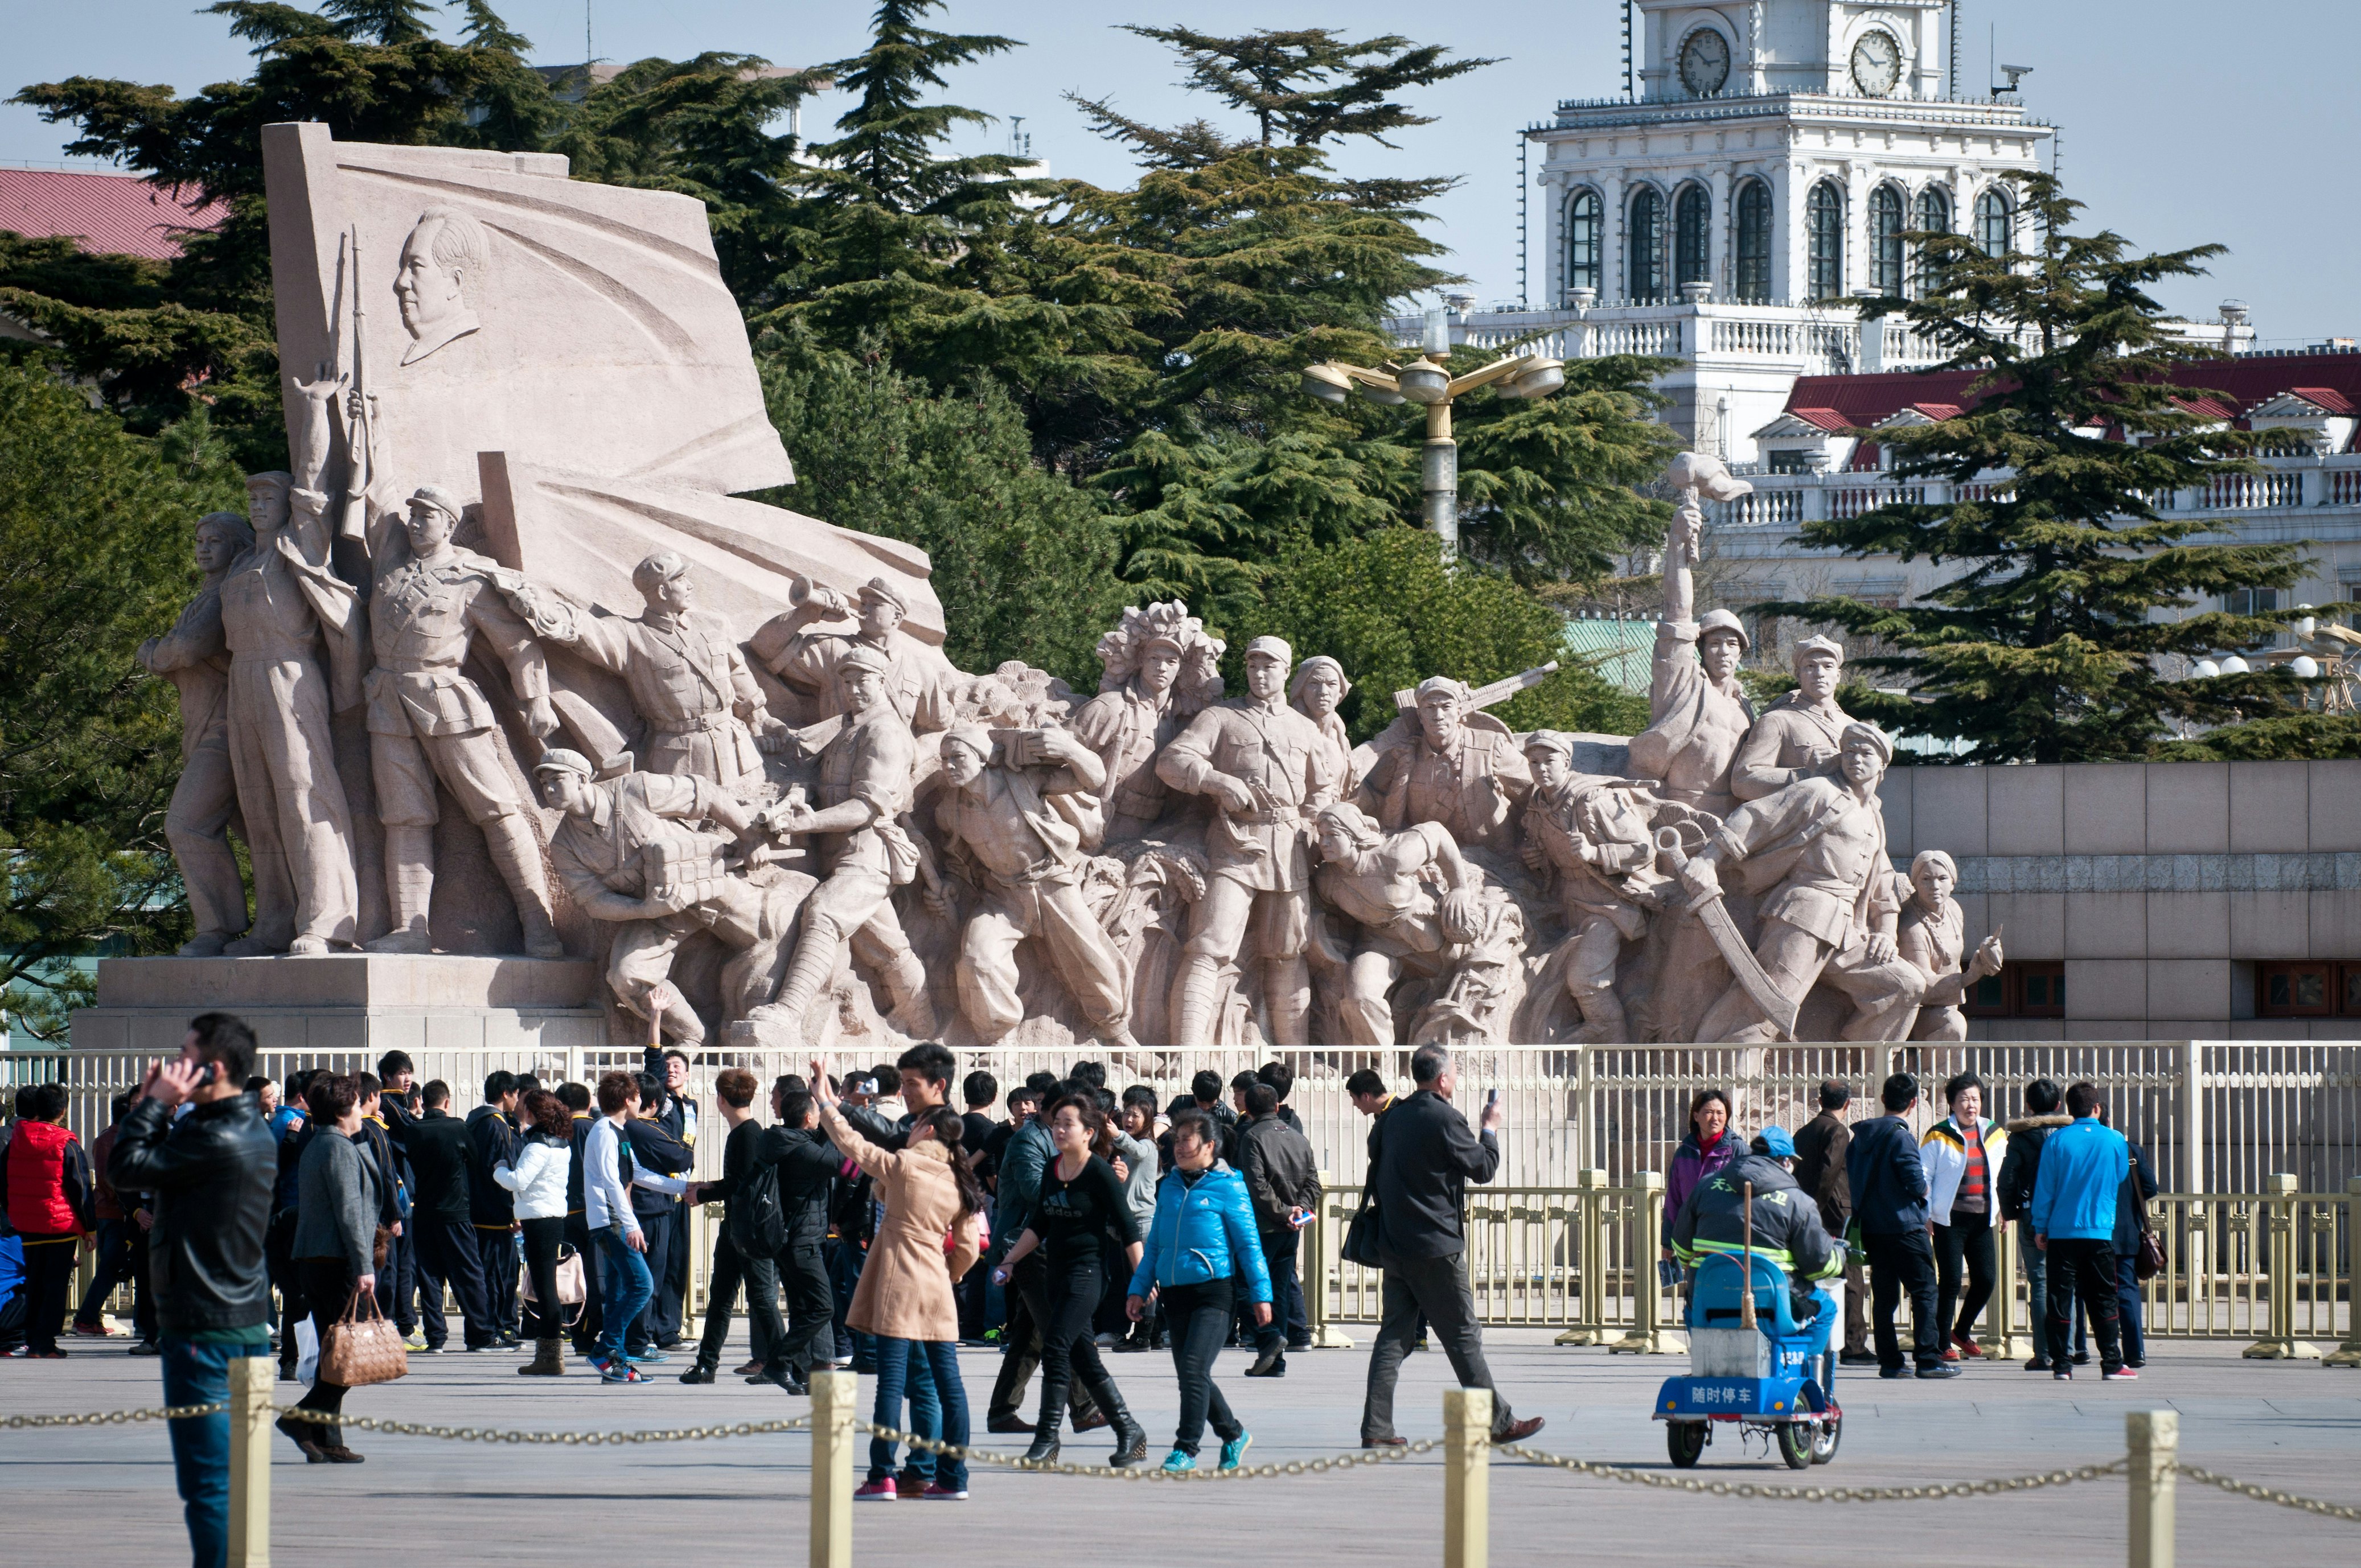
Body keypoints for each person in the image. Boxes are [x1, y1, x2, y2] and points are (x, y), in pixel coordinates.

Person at [108, 1013, 277, 1568]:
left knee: (209, 1481)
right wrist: (160, 1107)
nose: (175, 1066)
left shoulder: (215, 1136)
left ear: (216, 1066)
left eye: (186, 1055)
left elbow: (126, 1168)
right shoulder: (244, 1126)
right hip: (241, 1316)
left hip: (205, 1326)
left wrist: (153, 1103)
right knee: (241, 1479)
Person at [812, 1060, 986, 1501]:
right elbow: (966, 1248)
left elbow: (853, 1146)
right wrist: (949, 1274)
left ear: (926, 1131)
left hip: (896, 1282)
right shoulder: (959, 1179)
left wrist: (827, 1103)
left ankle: (882, 1474)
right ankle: (952, 1477)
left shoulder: (905, 1165)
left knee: (891, 1383)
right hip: (937, 1289)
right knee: (949, 1385)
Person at [1358, 1044, 1545, 1447]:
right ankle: (1498, 1422)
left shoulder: (1392, 1118)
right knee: (1462, 1334)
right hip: (1436, 1245)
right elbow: (1483, 1168)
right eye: (1455, 1072)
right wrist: (1490, 1127)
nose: (1456, 1078)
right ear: (1442, 1077)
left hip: (1394, 1243)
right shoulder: (1445, 1117)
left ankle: (1376, 1428)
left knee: (1393, 1336)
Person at [992, 1093, 1148, 1466]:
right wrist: (1010, 1260)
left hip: (1088, 1274)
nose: (1060, 1129)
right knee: (1084, 1358)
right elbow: (1040, 1223)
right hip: (1055, 1274)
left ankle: (1046, 1440)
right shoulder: (1052, 1168)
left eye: (1068, 1124)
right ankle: (1129, 1430)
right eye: (1057, 1122)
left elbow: (1127, 1227)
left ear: (1089, 1133)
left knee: (1056, 1346)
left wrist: (1142, 1281)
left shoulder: (1098, 1172)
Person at [1126, 1108, 1272, 1472]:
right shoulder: (1171, 1185)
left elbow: (1249, 1246)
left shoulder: (1229, 1186)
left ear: (1209, 1145)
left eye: (1186, 1139)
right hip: (1175, 1295)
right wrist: (1138, 1289)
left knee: (1192, 1369)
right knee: (1194, 1376)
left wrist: (1261, 1294)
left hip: (1214, 1294)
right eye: (1175, 1139)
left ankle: (1186, 1449)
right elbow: (1156, 1244)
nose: (1178, 1146)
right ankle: (1234, 1433)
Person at [983, 1079, 1103, 1437]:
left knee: (1030, 1334)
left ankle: (1003, 1411)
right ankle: (1084, 1408)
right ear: (1052, 1110)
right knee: (1060, 1328)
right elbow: (1039, 1194)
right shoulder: (1027, 1142)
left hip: (1049, 1246)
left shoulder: (1060, 1140)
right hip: (1026, 1247)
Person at [285, 1073, 383, 1462]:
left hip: (321, 1259)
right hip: (337, 1261)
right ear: (346, 1109)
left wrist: (358, 1137)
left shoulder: (330, 1142)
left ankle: (328, 1438)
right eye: (358, 1104)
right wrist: (364, 1265)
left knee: (337, 1353)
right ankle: (301, 1419)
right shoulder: (335, 1148)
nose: (363, 1109)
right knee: (347, 1355)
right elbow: (350, 1211)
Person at [681, 1069, 793, 1387]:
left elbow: (743, 1184)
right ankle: (706, 1365)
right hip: (737, 1229)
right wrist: (709, 1186)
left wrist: (704, 1193)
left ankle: (780, 1363)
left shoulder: (747, 1134)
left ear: (720, 1100)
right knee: (721, 1297)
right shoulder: (747, 1132)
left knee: (760, 1298)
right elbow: (739, 1181)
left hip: (750, 1232)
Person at [1668, 1126, 1842, 1329]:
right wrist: (1840, 1253)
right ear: (1786, 1162)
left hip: (1708, 1300)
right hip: (1774, 1307)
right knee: (1827, 1309)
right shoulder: (1798, 1202)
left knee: (1690, 1313)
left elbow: (1681, 1248)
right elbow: (1818, 1267)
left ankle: (1704, 1358)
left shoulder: (1705, 1187)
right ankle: (1800, 1360)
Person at [1846, 1073, 1954, 1380]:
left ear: (1883, 1099)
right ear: (1913, 1103)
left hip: (1873, 1228)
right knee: (1924, 1291)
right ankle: (1928, 1358)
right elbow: (1915, 1181)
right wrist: (1923, 1191)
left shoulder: (1860, 1138)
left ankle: (1891, 1362)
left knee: (1884, 1296)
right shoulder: (1900, 1136)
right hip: (1905, 1227)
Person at [2030, 1081, 2134, 1381]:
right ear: (2097, 1108)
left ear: (2069, 1109)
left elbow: (2045, 1188)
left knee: (2059, 1298)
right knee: (2104, 1298)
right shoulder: (2115, 1140)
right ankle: (2112, 1363)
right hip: (2099, 1231)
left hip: (2062, 1233)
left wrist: (2041, 1226)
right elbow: (2121, 1175)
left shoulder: (2056, 1141)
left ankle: (2062, 1365)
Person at [2, 1082, 93, 1357]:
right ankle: (45, 1344)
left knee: (34, 1283)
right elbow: (81, 1188)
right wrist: (90, 1228)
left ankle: (30, 1340)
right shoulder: (67, 1142)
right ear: (63, 1111)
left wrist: (15, 1210)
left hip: (26, 1226)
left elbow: (2, 1182)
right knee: (54, 1286)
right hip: (60, 1227)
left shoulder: (15, 1140)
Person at [1920, 1072, 2007, 1361]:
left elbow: (2002, 1175)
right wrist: (1927, 1213)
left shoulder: (1994, 1132)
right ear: (1952, 1104)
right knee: (1951, 1282)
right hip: (1949, 1220)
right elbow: (1924, 1176)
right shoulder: (1938, 1134)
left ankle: (1962, 1330)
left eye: (1975, 1099)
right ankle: (1943, 1343)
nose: (1971, 1105)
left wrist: (2004, 1209)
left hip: (1982, 1218)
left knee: (1986, 1279)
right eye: (1964, 1100)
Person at [1234, 1081, 1319, 1374]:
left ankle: (1269, 1340)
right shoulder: (1297, 1137)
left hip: (1264, 1227)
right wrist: (1298, 1211)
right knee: (1280, 1290)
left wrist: (1283, 1213)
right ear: (1278, 1106)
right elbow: (1313, 1182)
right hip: (1290, 1229)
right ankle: (1275, 1361)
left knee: (1246, 1285)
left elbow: (1256, 1185)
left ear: (1247, 1109)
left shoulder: (1252, 1137)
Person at [406, 1080, 494, 1352]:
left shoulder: (414, 1131)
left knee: (430, 1275)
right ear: (446, 1102)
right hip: (455, 1211)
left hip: (423, 1212)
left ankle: (436, 1337)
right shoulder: (457, 1127)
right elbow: (475, 1159)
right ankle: (481, 1335)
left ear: (422, 1101)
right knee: (469, 1272)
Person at [494, 1089, 576, 1376]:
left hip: (539, 1220)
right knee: (546, 1286)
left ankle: (550, 1357)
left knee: (545, 1288)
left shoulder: (537, 1145)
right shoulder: (561, 1143)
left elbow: (518, 1180)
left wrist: (499, 1168)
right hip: (551, 1217)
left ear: (533, 1113)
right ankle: (551, 1356)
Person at [583, 1071, 656, 1384]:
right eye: (638, 1096)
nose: (641, 1102)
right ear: (628, 1100)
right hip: (610, 1221)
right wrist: (632, 1225)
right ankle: (606, 1349)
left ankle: (617, 1361)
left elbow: (636, 1172)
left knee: (618, 1292)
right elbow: (612, 1181)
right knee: (642, 1285)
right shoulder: (603, 1131)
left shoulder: (619, 1130)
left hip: (615, 1220)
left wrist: (684, 1188)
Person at [1791, 1081, 1871, 1364]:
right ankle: (1853, 1345)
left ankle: (1818, 1336)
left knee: (1815, 1275)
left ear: (1819, 1100)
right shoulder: (1838, 1131)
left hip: (1808, 1210)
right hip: (1836, 1213)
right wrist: (1815, 1208)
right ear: (1848, 1104)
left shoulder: (1803, 1132)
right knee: (1850, 1277)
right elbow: (1829, 1172)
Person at [73, 1090, 158, 1348]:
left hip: (107, 1211)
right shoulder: (121, 1140)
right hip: (117, 1213)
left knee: (116, 1268)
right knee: (115, 1268)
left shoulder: (103, 1139)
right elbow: (115, 1180)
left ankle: (92, 1318)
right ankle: (87, 1317)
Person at [1996, 1079, 2071, 1372]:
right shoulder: (2068, 1134)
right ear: (2058, 1105)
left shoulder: (2021, 1137)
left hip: (2030, 1215)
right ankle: (2072, 1348)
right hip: (2067, 1217)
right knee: (2067, 1283)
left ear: (2029, 1106)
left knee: (2039, 1281)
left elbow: (2007, 1179)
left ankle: (2043, 1353)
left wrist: (2010, 1210)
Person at [620, 1071, 695, 1359]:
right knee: (648, 1281)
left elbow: (636, 1174)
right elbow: (681, 1155)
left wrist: (681, 1185)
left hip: (639, 1211)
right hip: (647, 1213)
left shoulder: (610, 1128)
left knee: (632, 1282)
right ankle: (638, 1341)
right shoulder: (639, 1128)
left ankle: (630, 1341)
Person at [466, 1071, 523, 1348]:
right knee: (498, 1276)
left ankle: (484, 1330)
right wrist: (512, 1212)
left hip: (476, 1210)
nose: (516, 1100)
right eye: (515, 1094)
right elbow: (500, 1170)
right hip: (495, 1215)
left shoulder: (474, 1121)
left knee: (484, 1273)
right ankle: (495, 1330)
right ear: (506, 1094)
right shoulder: (497, 1125)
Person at [2102, 1101, 2159, 1372]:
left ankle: (2078, 1350)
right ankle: (2135, 1351)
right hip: (2125, 1232)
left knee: (2082, 1291)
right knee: (2127, 1291)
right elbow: (2149, 1187)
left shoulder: (2083, 1147)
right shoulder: (2129, 1150)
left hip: (2090, 1232)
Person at [1661, 1089, 1737, 1273]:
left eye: (1720, 1113)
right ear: (1696, 1116)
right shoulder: (1683, 1154)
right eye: (1708, 1112)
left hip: (1726, 1241)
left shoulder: (1737, 1151)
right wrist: (1668, 1242)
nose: (1715, 1118)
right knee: (1695, 1294)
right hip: (1690, 1241)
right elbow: (1674, 1201)